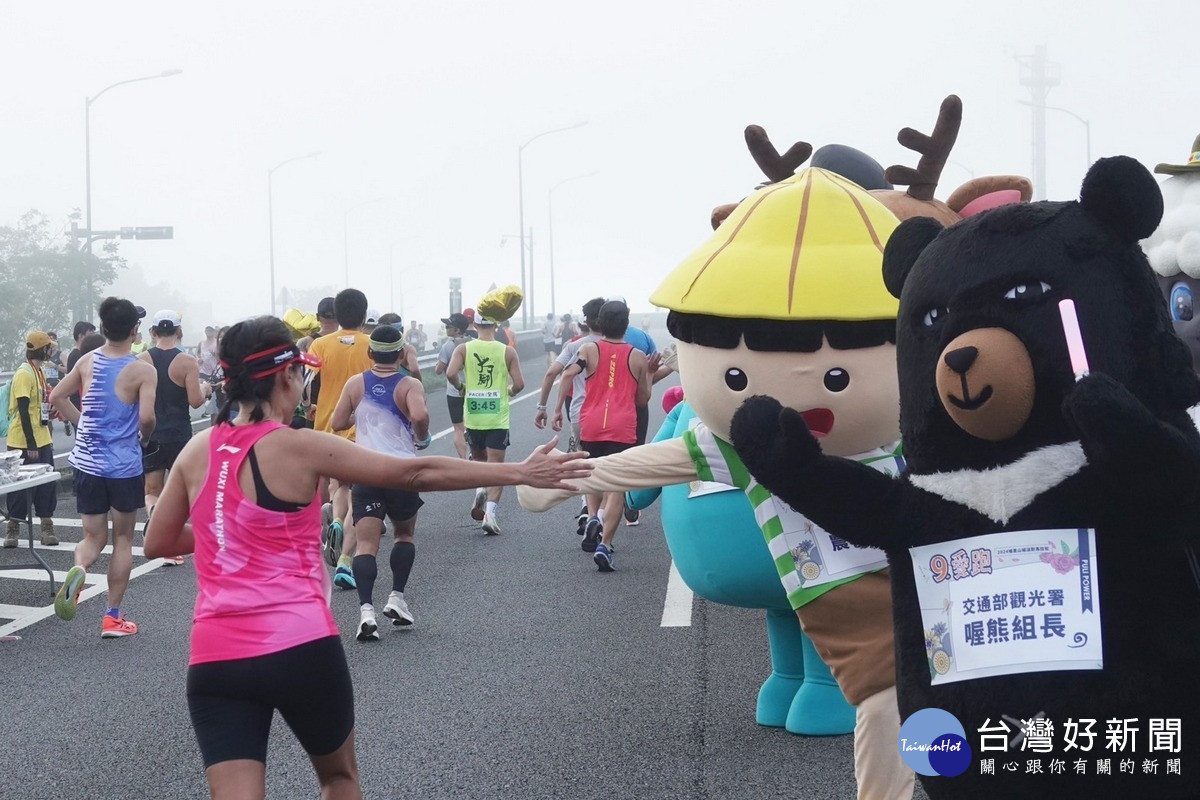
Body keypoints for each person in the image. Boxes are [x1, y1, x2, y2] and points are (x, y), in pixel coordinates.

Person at [140, 315, 589, 799]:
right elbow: (415, 473)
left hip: (216, 656)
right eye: (301, 376)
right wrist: (520, 471)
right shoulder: (299, 445)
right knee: (337, 778)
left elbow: (158, 542)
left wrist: (227, 528)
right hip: (299, 644)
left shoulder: (197, 449)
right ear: (286, 376)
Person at [49, 297, 157, 638]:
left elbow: (56, 398)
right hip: (123, 466)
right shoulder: (142, 369)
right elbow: (147, 418)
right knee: (122, 539)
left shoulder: (86, 361)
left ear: (102, 328)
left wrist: (83, 425)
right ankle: (112, 618)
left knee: (92, 538)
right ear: (135, 330)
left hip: (86, 464)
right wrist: (143, 437)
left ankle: (79, 567)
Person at [331, 325, 431, 640]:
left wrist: (360, 417)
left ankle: (366, 613)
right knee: (404, 535)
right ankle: (397, 598)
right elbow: (419, 415)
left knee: (365, 545)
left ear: (370, 352)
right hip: (402, 472)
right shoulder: (409, 384)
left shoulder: (355, 384)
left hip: (367, 472)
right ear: (401, 353)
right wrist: (422, 435)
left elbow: (337, 422)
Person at [554, 300, 650, 570]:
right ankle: (605, 545)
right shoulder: (638, 356)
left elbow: (566, 375)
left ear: (598, 322)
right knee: (616, 486)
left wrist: (557, 410)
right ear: (627, 324)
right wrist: (648, 375)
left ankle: (593, 515)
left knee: (592, 475)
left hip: (592, 423)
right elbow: (642, 399)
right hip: (623, 426)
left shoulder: (588, 349)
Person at [309, 289, 373, 589]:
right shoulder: (371, 345)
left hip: (326, 427)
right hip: (363, 429)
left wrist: (308, 407)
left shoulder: (319, 345)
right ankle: (346, 559)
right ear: (364, 314)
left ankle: (334, 520)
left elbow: (307, 384)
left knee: (338, 485)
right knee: (358, 492)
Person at [139, 310, 211, 565]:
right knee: (184, 491)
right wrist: (205, 389)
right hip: (180, 434)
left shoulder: (141, 360)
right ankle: (183, 538)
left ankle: (156, 519)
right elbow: (194, 401)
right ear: (179, 331)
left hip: (151, 433)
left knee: (152, 490)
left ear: (153, 332)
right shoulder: (187, 361)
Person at [445, 312, 525, 534]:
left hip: (474, 416)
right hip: (497, 417)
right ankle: (489, 514)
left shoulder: (464, 349)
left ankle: (480, 488)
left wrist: (462, 389)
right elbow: (520, 383)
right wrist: (509, 391)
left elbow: (450, 373)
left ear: (474, 324)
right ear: (496, 324)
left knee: (479, 461)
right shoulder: (507, 351)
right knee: (496, 468)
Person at [535, 297, 605, 534]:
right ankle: (603, 515)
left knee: (582, 462)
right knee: (610, 465)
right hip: (613, 415)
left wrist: (546, 408)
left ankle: (587, 507)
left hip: (580, 414)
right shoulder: (620, 346)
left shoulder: (576, 346)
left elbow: (552, 373)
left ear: (585, 321)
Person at [4, 331, 59, 547]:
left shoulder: (39, 371)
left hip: (42, 436)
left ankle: (46, 527)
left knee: (46, 484)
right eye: (48, 347)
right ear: (41, 348)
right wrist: (31, 444)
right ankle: (13, 530)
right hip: (23, 441)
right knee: (18, 487)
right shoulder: (24, 373)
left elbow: (39, 405)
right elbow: (24, 411)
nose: (50, 351)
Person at [435, 312, 472, 459]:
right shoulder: (473, 342)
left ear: (457, 330)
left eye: (448, 326)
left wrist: (439, 364)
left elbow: (438, 370)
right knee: (473, 425)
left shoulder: (448, 346)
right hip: (473, 391)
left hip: (454, 392)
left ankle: (463, 460)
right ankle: (474, 454)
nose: (446, 328)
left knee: (458, 428)